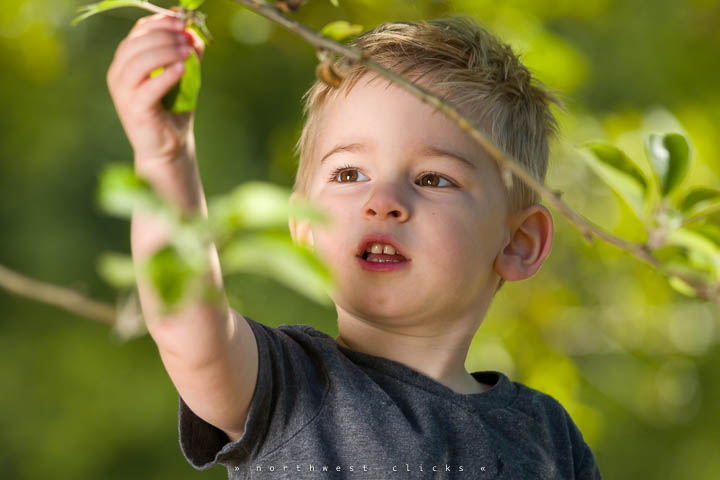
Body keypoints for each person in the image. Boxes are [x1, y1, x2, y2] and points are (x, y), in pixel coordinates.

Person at [107, 10, 602, 479]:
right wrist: (164, 156)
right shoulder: (289, 385)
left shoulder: (548, 435)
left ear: (518, 242)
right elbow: (188, 326)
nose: (382, 201)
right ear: (302, 223)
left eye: (433, 178)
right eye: (349, 173)